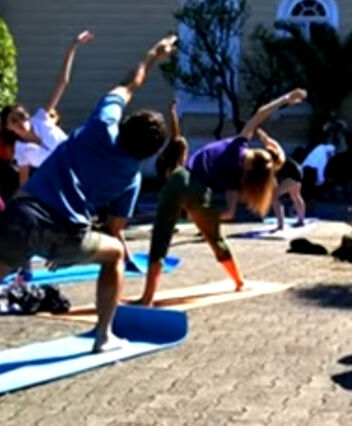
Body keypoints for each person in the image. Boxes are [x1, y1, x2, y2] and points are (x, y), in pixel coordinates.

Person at [0, 35, 176, 353]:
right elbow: (114, 231)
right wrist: (67, 252)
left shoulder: (102, 123)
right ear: (148, 153)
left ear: (124, 123)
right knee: (116, 254)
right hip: (67, 234)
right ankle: (103, 336)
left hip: (22, 215)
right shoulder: (131, 178)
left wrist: (152, 56)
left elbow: (128, 83)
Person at [138, 88, 308, 306]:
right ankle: (239, 281)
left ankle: (148, 296)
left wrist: (286, 98)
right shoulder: (239, 180)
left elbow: (260, 114)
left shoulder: (239, 145)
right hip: (199, 194)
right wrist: (206, 215)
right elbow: (229, 212)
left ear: (255, 154)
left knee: (161, 238)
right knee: (216, 240)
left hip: (180, 179)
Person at [4, 30, 94, 186]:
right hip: (64, 183)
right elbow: (24, 182)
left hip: (82, 163)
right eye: (14, 120)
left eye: (21, 116)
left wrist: (72, 47)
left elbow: (62, 82)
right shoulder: (21, 150)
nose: (20, 121)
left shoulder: (41, 118)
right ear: (8, 127)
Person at [271, 152, 307, 231]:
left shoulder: (272, 161)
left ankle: (280, 224)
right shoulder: (282, 157)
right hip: (299, 173)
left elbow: (274, 181)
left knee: (274, 197)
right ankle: (301, 220)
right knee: (296, 196)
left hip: (292, 175)